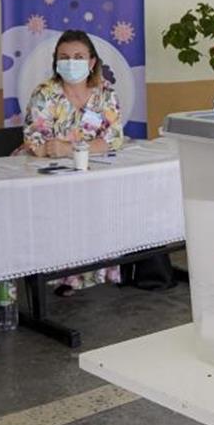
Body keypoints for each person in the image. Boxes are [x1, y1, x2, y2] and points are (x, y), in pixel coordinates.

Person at [22, 30, 125, 294]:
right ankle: (63, 276)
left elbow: (113, 138)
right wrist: (58, 150)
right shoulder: (45, 94)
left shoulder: (104, 93)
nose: (71, 62)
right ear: (56, 62)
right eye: (64, 57)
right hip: (47, 175)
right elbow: (36, 142)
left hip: (91, 170)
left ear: (92, 62)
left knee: (108, 197)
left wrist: (70, 149)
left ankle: (95, 272)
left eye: (79, 57)